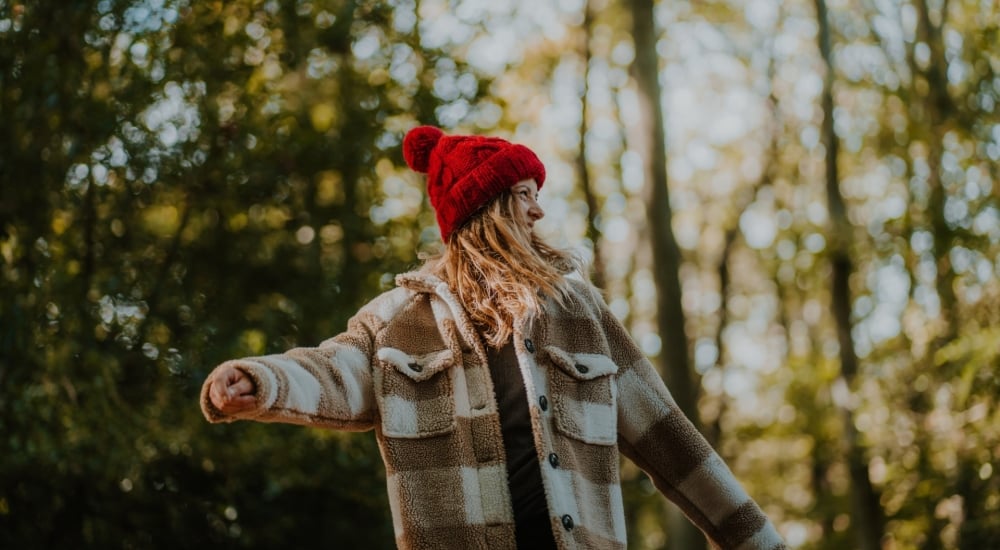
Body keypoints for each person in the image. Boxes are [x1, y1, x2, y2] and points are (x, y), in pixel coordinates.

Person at [201, 125, 785, 550]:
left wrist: (758, 540)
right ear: (487, 209)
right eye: (525, 196)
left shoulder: (578, 312)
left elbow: (671, 441)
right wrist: (262, 378)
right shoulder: (397, 319)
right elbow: (334, 371)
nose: (539, 213)